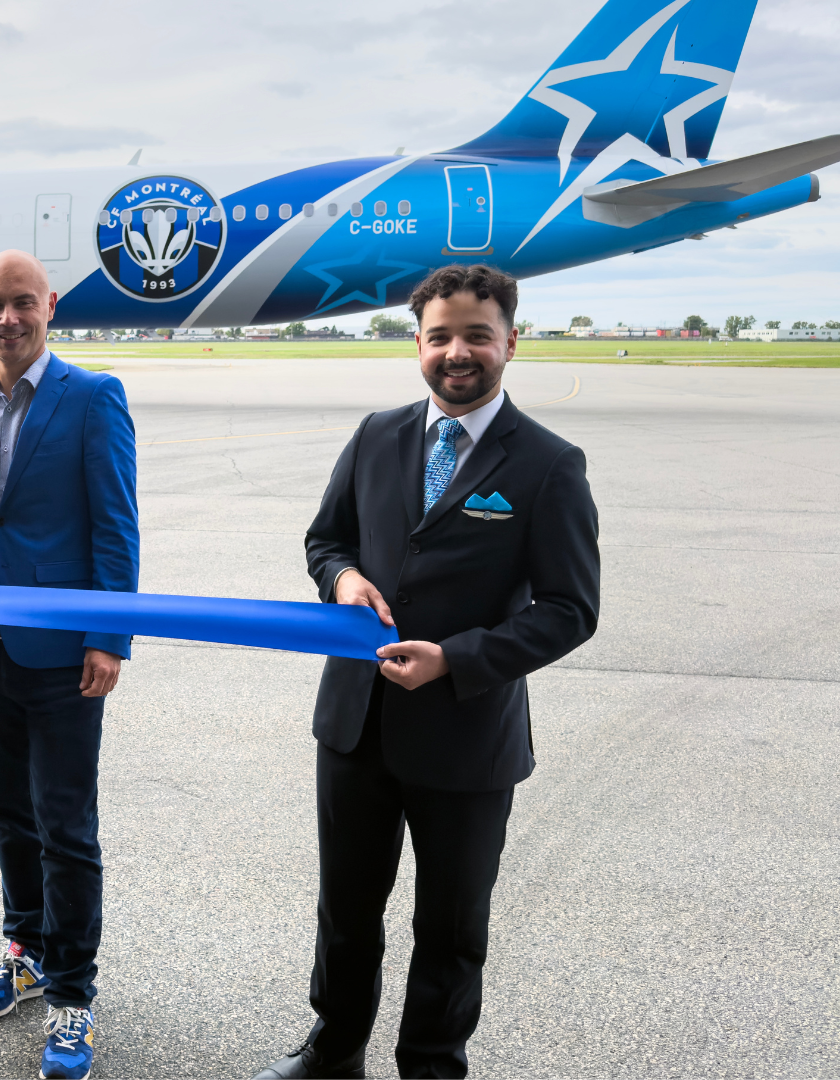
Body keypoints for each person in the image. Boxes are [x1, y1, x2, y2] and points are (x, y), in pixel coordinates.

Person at [254, 265, 600, 1080]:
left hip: (466, 736)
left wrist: (457, 660)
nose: (457, 352)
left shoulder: (549, 464)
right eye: (440, 335)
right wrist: (341, 578)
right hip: (355, 723)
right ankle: (334, 1052)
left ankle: (433, 1065)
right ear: (417, 342)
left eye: (477, 335)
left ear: (510, 342)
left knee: (449, 927)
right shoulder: (378, 435)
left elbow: (569, 609)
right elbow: (325, 540)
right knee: (346, 913)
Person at [0, 250, 138, 1080]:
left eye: (23, 303)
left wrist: (109, 636)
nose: (8, 319)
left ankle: (73, 994)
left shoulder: (93, 397)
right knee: (4, 807)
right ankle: (24, 949)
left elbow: (115, 525)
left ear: (50, 305)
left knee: (65, 822)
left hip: (64, 650)